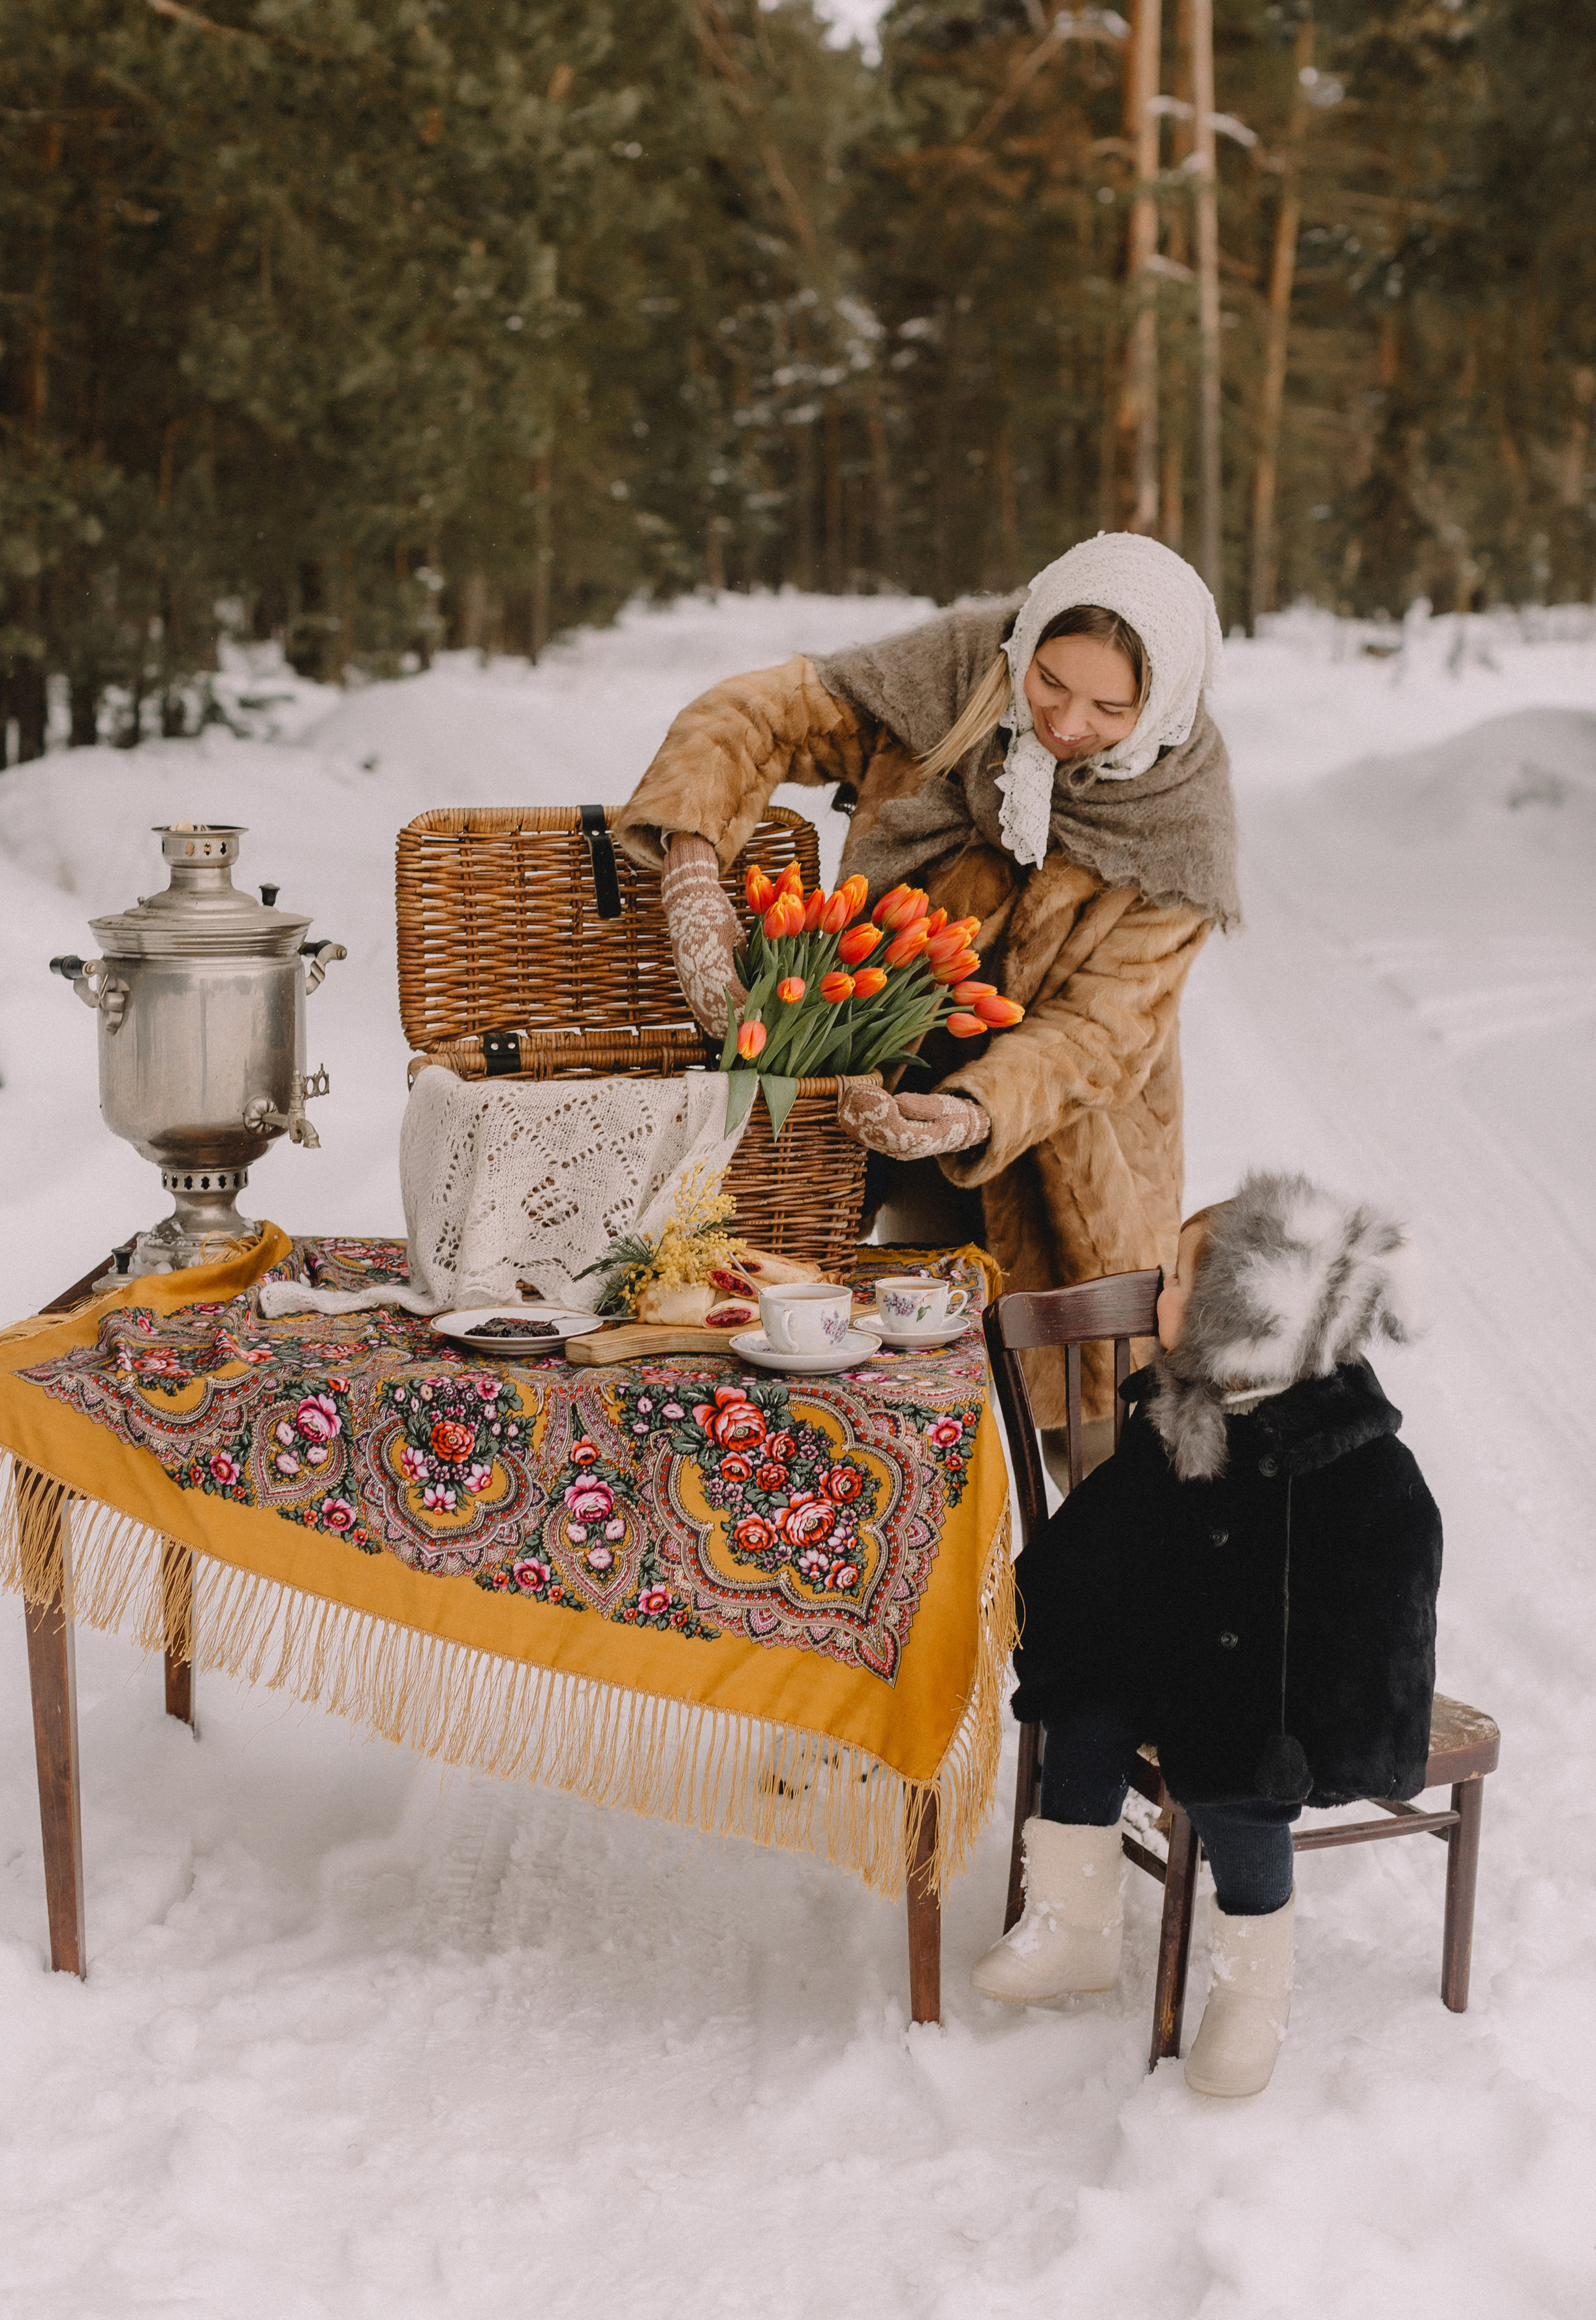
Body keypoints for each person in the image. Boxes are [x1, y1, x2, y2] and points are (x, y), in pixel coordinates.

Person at [615, 533, 1240, 1475]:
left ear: (1160, 704)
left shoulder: (1179, 814)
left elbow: (1102, 1031)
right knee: (856, 1372)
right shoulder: (946, 679)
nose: (1068, 722)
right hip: (864, 1082)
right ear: (1025, 642)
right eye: (1049, 683)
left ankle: (1084, 1559)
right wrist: (694, 874)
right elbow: (752, 715)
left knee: (1087, 1431)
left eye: (1111, 709)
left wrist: (972, 1113)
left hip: (1056, 1138)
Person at [972, 1171, 1442, 2099]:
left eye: (1180, 1281)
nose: (1161, 1295)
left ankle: (1252, 1991)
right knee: (1085, 1699)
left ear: (1246, 1309)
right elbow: (1106, 1529)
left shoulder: (1350, 1451)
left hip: (1285, 1682)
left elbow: (1392, 1589)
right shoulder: (1183, 1414)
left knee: (1238, 1772)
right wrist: (1041, 1601)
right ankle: (1075, 1922)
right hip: (1176, 1641)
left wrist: (1339, 1702)